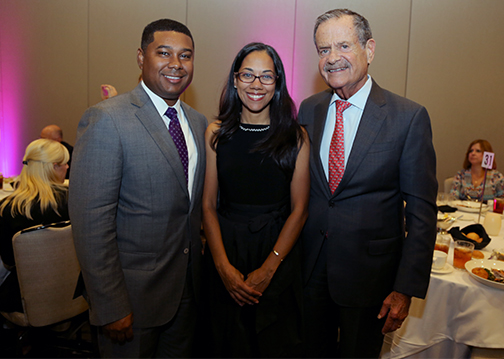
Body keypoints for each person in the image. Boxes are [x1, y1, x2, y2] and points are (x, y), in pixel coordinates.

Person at [298, 9, 437, 358]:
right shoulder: (309, 109)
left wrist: (404, 289)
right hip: (310, 271)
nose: (332, 59)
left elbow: (422, 212)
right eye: (323, 49)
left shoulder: (408, 117)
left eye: (343, 46)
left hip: (370, 280)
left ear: (369, 50)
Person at [68, 18, 207, 358]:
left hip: (187, 294)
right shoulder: (107, 119)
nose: (176, 64)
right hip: (131, 300)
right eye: (164, 53)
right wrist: (110, 305)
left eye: (185, 56)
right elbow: (91, 224)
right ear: (141, 57)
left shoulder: (198, 122)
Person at [202, 42, 310, 357]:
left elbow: (300, 210)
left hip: (277, 251)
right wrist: (222, 267)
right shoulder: (216, 133)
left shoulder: (295, 136)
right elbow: (207, 205)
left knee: (273, 344)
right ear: (235, 80)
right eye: (248, 75)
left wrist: (269, 268)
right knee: (225, 343)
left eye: (266, 76)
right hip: (226, 247)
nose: (256, 84)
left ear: (277, 84)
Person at [0, 139, 69, 313]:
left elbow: (9, 261)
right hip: (72, 290)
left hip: (24, 298)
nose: (68, 167)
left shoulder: (7, 209)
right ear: (52, 167)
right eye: (64, 163)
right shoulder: (73, 202)